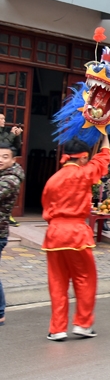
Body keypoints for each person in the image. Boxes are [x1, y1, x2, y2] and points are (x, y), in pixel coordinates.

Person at [42, 135, 110, 340]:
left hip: (55, 234)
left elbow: (46, 206)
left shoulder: (52, 179)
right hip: (76, 234)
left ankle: (57, 329)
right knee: (85, 279)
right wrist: (105, 134)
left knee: (57, 282)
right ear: (82, 157)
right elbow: (104, 157)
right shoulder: (85, 173)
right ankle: (82, 324)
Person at [0, 137, 24, 327]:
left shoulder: (11, 179)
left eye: (5, 157)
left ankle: (0, 312)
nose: (0, 160)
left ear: (13, 159)